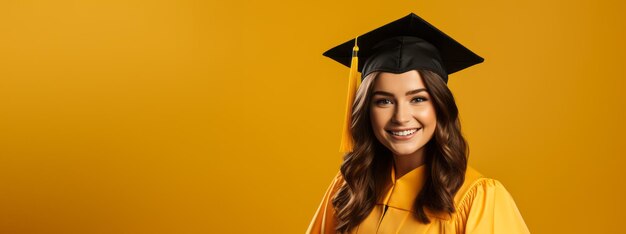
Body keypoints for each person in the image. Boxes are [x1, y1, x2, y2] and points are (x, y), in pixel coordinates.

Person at [306, 13, 530, 233]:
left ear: (440, 106)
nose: (401, 117)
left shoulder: (477, 199)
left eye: (418, 99)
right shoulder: (349, 189)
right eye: (384, 101)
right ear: (366, 110)